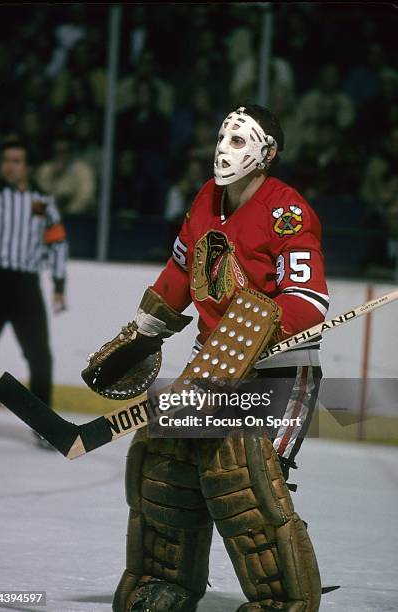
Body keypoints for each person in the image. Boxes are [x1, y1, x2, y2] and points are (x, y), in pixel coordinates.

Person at [84, 105, 329, 611]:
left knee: (245, 479)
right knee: (166, 465)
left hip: (278, 370)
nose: (224, 148)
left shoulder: (288, 211)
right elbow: (179, 273)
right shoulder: (204, 200)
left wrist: (248, 334)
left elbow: (308, 301)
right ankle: (165, 583)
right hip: (210, 369)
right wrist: (144, 333)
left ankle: (282, 600)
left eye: (240, 141)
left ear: (267, 154)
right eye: (222, 136)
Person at [0, 140, 68, 448]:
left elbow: (57, 244)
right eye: (6, 160)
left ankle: (43, 426)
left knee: (40, 356)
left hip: (25, 286)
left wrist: (59, 286)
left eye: (17, 160)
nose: (10, 166)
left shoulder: (42, 203)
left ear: (28, 167)